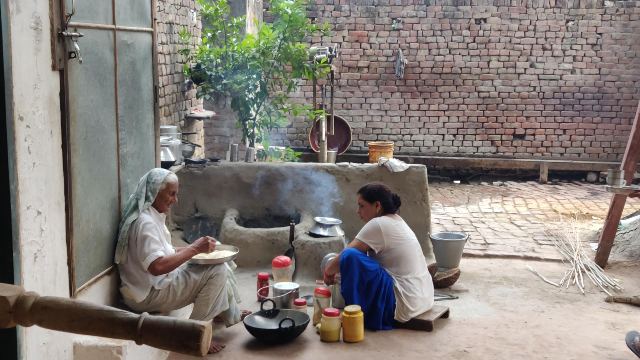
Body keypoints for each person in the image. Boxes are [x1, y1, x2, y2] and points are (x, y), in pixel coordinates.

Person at [114, 168, 246, 353]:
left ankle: (223, 311)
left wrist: (197, 249)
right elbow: (157, 266)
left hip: (149, 288)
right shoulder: (146, 224)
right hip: (148, 295)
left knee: (217, 259)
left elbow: (165, 252)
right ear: (154, 193)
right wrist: (193, 249)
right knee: (218, 271)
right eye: (171, 194)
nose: (175, 200)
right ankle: (193, 336)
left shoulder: (150, 216)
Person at [323, 182, 434, 330]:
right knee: (359, 261)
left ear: (377, 206)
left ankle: (357, 314)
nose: (358, 211)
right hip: (422, 299)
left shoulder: (379, 224)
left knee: (350, 256)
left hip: (403, 304)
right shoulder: (397, 221)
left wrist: (328, 271)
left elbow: (347, 254)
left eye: (362, 206)